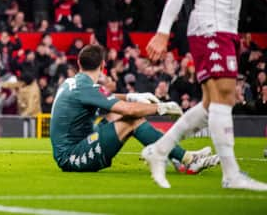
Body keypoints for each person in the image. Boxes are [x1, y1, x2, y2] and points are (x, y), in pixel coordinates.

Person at [144, 0, 267, 190]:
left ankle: (159, 150)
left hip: (227, 31)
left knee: (212, 104)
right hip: (208, 30)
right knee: (225, 96)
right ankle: (231, 175)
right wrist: (163, 32)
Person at [51, 44, 219, 174]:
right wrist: (160, 107)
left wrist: (132, 96)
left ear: (79, 63)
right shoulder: (86, 87)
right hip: (72, 157)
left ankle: (176, 157)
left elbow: (106, 97)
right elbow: (128, 111)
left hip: (77, 145)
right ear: (103, 65)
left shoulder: (75, 83)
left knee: (114, 116)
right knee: (132, 120)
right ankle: (188, 159)